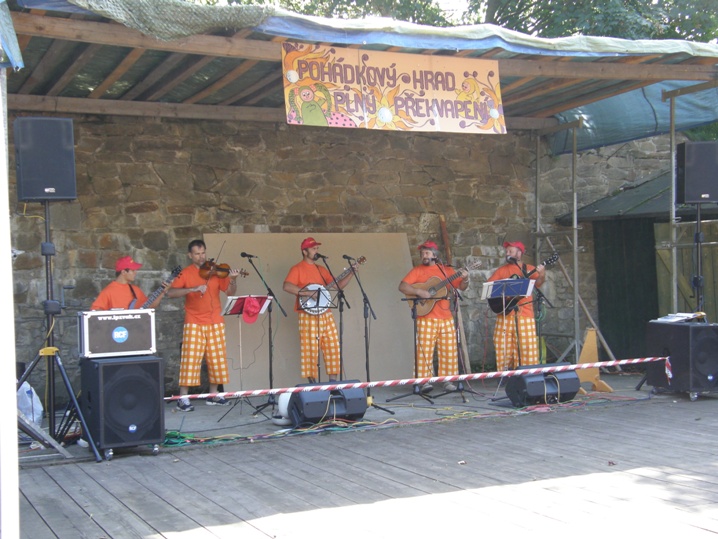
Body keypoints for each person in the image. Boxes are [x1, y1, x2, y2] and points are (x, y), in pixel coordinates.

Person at [166, 239, 242, 411]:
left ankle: (213, 395)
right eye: (197, 254)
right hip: (194, 321)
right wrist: (191, 289)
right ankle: (183, 398)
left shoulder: (215, 272)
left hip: (215, 320)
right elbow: (171, 292)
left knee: (217, 360)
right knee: (190, 359)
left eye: (203, 253)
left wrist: (233, 279)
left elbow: (230, 292)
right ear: (190, 255)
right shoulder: (185, 273)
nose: (201, 257)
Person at [398, 240, 469, 392]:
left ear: (435, 255)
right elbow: (402, 286)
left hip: (446, 317)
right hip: (425, 318)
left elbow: (461, 287)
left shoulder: (446, 271)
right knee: (424, 351)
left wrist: (465, 278)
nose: (424, 256)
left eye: (427, 253)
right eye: (422, 253)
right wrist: (419, 291)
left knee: (449, 350)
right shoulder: (417, 271)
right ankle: (424, 382)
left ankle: (448, 381)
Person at [283, 237, 356, 384]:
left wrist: (351, 272)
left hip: (326, 313)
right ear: (305, 251)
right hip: (307, 315)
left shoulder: (321, 269)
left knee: (333, 347)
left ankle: (333, 385)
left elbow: (338, 286)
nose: (316, 251)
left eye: (317, 248)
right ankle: (313, 387)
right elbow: (287, 286)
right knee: (310, 350)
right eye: (313, 249)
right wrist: (308, 293)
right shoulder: (297, 269)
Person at [487, 240, 546, 371]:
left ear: (519, 253)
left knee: (527, 349)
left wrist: (542, 275)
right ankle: (504, 375)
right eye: (506, 251)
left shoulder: (529, 269)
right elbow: (490, 288)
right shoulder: (501, 270)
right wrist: (505, 295)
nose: (507, 253)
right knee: (503, 348)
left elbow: (538, 283)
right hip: (505, 314)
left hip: (525, 315)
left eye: (510, 251)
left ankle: (528, 376)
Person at [91, 255, 168, 311]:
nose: (135, 273)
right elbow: (95, 311)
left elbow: (149, 306)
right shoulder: (108, 291)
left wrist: (162, 293)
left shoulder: (135, 290)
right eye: (133, 270)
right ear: (123, 272)